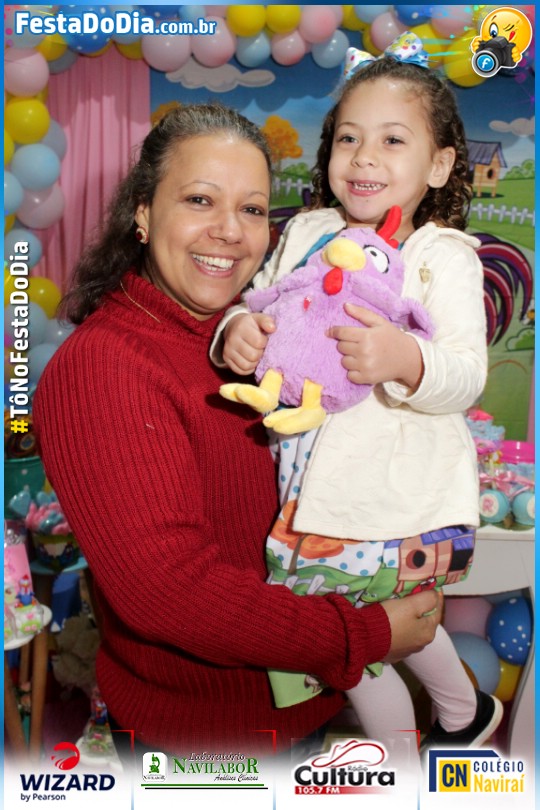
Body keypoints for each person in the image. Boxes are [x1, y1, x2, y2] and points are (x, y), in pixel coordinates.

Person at [32, 103, 442, 758]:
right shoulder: (104, 366)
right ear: (143, 212)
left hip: (301, 704)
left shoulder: (249, 338)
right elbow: (168, 592)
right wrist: (361, 635)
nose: (229, 231)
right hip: (204, 746)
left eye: (252, 209)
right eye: (200, 199)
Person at [212, 40, 503, 763]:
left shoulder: (443, 256)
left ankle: (411, 752)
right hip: (307, 489)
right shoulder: (308, 231)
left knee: (368, 638)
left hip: (393, 494)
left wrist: (406, 359)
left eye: (392, 140)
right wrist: (235, 332)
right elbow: (258, 301)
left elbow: (466, 372)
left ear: (439, 165)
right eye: (348, 138)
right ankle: (463, 713)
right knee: (360, 633)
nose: (364, 156)